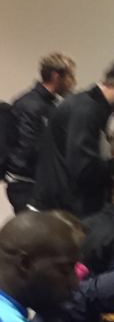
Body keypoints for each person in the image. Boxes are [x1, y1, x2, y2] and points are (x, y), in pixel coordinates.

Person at [32, 48, 114, 216]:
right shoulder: (86, 111)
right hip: (60, 215)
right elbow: (84, 171)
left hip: (62, 209)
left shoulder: (90, 106)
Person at [5, 53, 76, 213]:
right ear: (56, 76)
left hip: (36, 183)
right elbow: (31, 147)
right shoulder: (31, 105)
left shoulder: (48, 104)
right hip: (26, 185)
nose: (74, 82)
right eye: (70, 77)